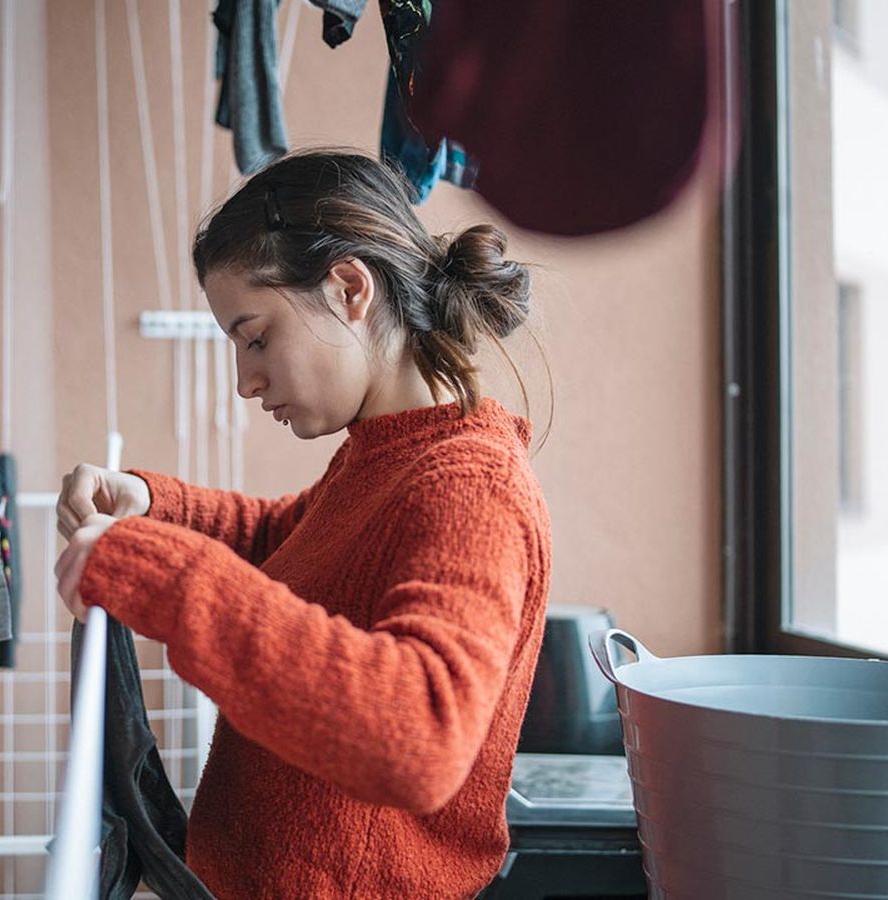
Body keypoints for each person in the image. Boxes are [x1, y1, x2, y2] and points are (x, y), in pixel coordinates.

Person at [53, 148, 553, 898]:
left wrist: (160, 571)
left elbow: (420, 735)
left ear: (350, 287)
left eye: (255, 337)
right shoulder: (386, 453)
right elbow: (290, 542)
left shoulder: (470, 487)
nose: (246, 381)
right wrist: (154, 504)